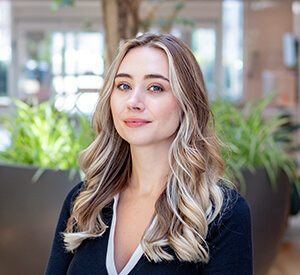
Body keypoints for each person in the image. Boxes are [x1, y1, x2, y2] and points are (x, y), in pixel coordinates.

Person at [46, 33, 253, 275]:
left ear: (187, 104)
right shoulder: (84, 201)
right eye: (124, 85)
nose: (133, 101)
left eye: (155, 87)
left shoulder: (222, 216)